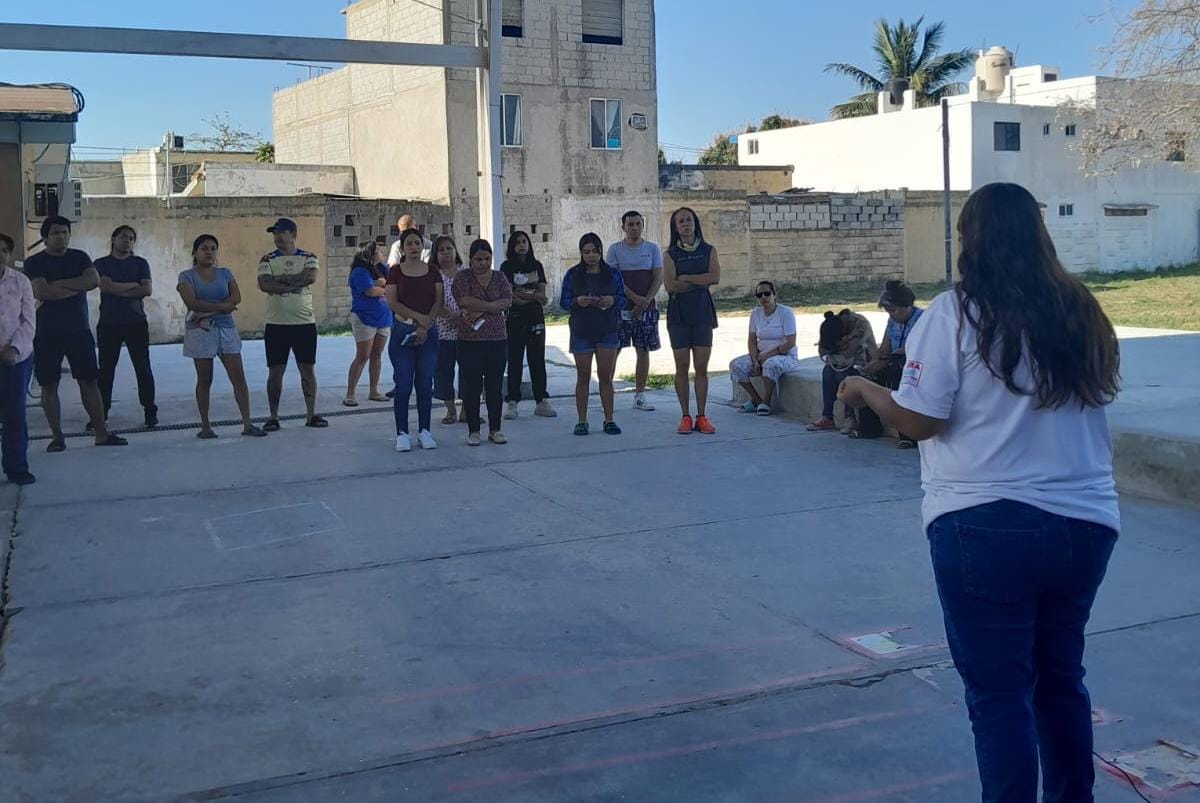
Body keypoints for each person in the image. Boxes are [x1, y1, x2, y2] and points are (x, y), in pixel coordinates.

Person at [838, 182, 1121, 803]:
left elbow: (919, 421)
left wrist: (864, 389)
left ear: (969, 240)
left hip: (985, 525)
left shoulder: (954, 314)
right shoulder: (1082, 310)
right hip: (1085, 523)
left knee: (999, 696)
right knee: (1060, 681)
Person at [24, 216, 127, 451]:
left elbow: (93, 281)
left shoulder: (79, 257)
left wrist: (57, 285)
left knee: (89, 381)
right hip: (46, 332)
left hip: (78, 330)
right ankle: (57, 437)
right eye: (55, 233)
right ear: (45, 237)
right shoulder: (35, 262)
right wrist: (74, 285)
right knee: (49, 385)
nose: (61, 237)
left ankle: (101, 433)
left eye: (64, 232)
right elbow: (42, 292)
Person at [177, 235, 266, 439]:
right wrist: (222, 307)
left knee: (238, 377)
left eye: (213, 248)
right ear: (195, 252)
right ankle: (205, 426)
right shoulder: (186, 276)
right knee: (204, 379)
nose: (209, 252)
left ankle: (247, 423)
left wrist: (209, 311)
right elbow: (192, 303)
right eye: (204, 248)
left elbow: (236, 297)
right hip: (200, 332)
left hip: (226, 329)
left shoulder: (225, 273)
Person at [257, 217, 327, 430]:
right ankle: (273, 416)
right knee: (275, 371)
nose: (277, 237)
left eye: (281, 232)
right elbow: (264, 284)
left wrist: (280, 281)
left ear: (293, 234)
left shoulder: (308, 257)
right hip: (276, 324)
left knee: (307, 369)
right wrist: (294, 282)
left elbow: (310, 277)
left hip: (303, 323)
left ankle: (311, 414)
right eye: (275, 233)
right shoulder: (267, 259)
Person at [560, 232, 626, 436]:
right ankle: (582, 420)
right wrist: (577, 301)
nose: (591, 256)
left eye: (594, 251)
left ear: (600, 251)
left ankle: (609, 419)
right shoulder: (573, 274)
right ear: (581, 253)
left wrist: (612, 300)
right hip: (582, 330)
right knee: (583, 376)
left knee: (605, 376)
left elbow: (623, 298)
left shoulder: (612, 274)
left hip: (607, 329)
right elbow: (563, 302)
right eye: (586, 252)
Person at [663, 207, 720, 434]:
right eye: (681, 221)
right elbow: (671, 285)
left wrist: (687, 278)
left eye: (689, 220)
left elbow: (715, 277)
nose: (686, 224)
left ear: (695, 223)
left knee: (701, 368)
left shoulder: (709, 250)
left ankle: (702, 416)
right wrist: (700, 282)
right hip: (678, 315)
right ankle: (685, 416)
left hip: (702, 313)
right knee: (682, 366)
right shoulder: (670, 255)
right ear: (675, 227)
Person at [95, 225, 157, 428]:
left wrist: (116, 288)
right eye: (123, 237)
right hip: (109, 324)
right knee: (105, 371)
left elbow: (146, 290)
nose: (127, 241)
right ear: (113, 239)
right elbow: (104, 286)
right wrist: (133, 285)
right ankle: (101, 413)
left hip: (136, 323)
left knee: (143, 368)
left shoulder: (140, 263)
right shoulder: (101, 264)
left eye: (131, 238)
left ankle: (150, 411)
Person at [386, 228, 443, 452]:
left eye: (417, 243)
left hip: (428, 333)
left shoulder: (433, 271)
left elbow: (438, 300)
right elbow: (393, 302)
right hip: (403, 332)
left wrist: (426, 325)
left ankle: (425, 431)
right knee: (403, 384)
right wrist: (419, 318)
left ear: (422, 246)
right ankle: (402, 433)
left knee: (425, 384)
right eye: (409, 243)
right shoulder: (395, 272)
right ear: (402, 247)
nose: (413, 247)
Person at [451, 239, 511, 446]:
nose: (483, 263)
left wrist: (481, 307)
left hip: (497, 339)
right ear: (470, 259)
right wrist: (492, 307)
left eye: (487, 259)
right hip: (470, 340)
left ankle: (495, 429)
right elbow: (464, 300)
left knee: (494, 386)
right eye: (478, 259)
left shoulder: (500, 277)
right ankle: (474, 430)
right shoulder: (463, 277)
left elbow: (507, 300)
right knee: (472, 386)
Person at [606, 210, 663, 412]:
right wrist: (635, 299)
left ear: (643, 226)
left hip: (646, 310)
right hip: (620, 309)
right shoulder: (615, 250)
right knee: (614, 349)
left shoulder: (652, 249)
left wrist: (645, 302)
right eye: (630, 224)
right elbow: (615, 280)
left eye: (638, 224)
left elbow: (658, 277)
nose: (635, 228)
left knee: (643, 350)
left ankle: (640, 395)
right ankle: (607, 393)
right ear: (623, 227)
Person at [860, 280, 924, 448]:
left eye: (893, 310)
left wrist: (888, 359)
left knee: (899, 374)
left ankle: (908, 435)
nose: (891, 315)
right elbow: (885, 347)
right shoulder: (892, 322)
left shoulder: (923, 320)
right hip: (892, 359)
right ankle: (869, 427)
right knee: (868, 378)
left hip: (914, 363)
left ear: (906, 306)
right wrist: (874, 362)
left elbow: (915, 348)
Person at [500, 230, 555, 420]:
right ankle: (512, 402)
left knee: (537, 359)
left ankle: (541, 400)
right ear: (512, 247)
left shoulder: (536, 266)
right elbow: (509, 295)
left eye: (524, 241)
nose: (522, 245)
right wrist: (530, 296)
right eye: (517, 242)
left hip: (535, 317)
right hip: (515, 318)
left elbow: (542, 295)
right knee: (514, 360)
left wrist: (524, 295)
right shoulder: (506, 267)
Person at [728, 280, 801, 415]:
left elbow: (790, 342)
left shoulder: (786, 313)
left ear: (774, 294)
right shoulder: (755, 314)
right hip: (761, 355)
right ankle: (756, 399)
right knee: (736, 365)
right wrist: (755, 360)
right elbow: (752, 341)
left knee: (770, 364)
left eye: (767, 293)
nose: (763, 297)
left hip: (784, 355)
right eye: (759, 295)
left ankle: (766, 402)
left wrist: (768, 355)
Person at [0, 233, 37, 484]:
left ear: (9, 254)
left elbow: (28, 321)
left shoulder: (21, 281)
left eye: (4, 250)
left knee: (14, 414)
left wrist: (13, 349)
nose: (0, 255)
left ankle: (16, 467)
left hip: (16, 358)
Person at [807, 308, 877, 434]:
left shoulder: (860, 323)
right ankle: (827, 416)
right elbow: (822, 350)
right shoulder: (831, 325)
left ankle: (850, 418)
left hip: (862, 364)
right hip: (838, 363)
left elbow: (849, 351)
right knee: (827, 373)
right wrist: (848, 338)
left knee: (842, 376)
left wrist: (836, 345)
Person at [343, 241, 391, 407]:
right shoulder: (359, 271)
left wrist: (382, 285)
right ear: (369, 254)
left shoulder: (381, 269)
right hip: (364, 317)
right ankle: (350, 393)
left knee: (377, 355)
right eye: (378, 250)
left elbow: (392, 283)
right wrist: (384, 288)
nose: (381, 252)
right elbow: (370, 291)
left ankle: (374, 390)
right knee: (362, 356)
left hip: (383, 317)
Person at [431, 236, 464, 425]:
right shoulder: (434, 275)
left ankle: (467, 410)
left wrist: (463, 317)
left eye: (449, 248)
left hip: (466, 331)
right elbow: (432, 301)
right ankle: (451, 410)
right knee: (443, 372)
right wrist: (451, 316)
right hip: (443, 332)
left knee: (469, 371)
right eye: (441, 250)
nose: (446, 253)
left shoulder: (465, 272)